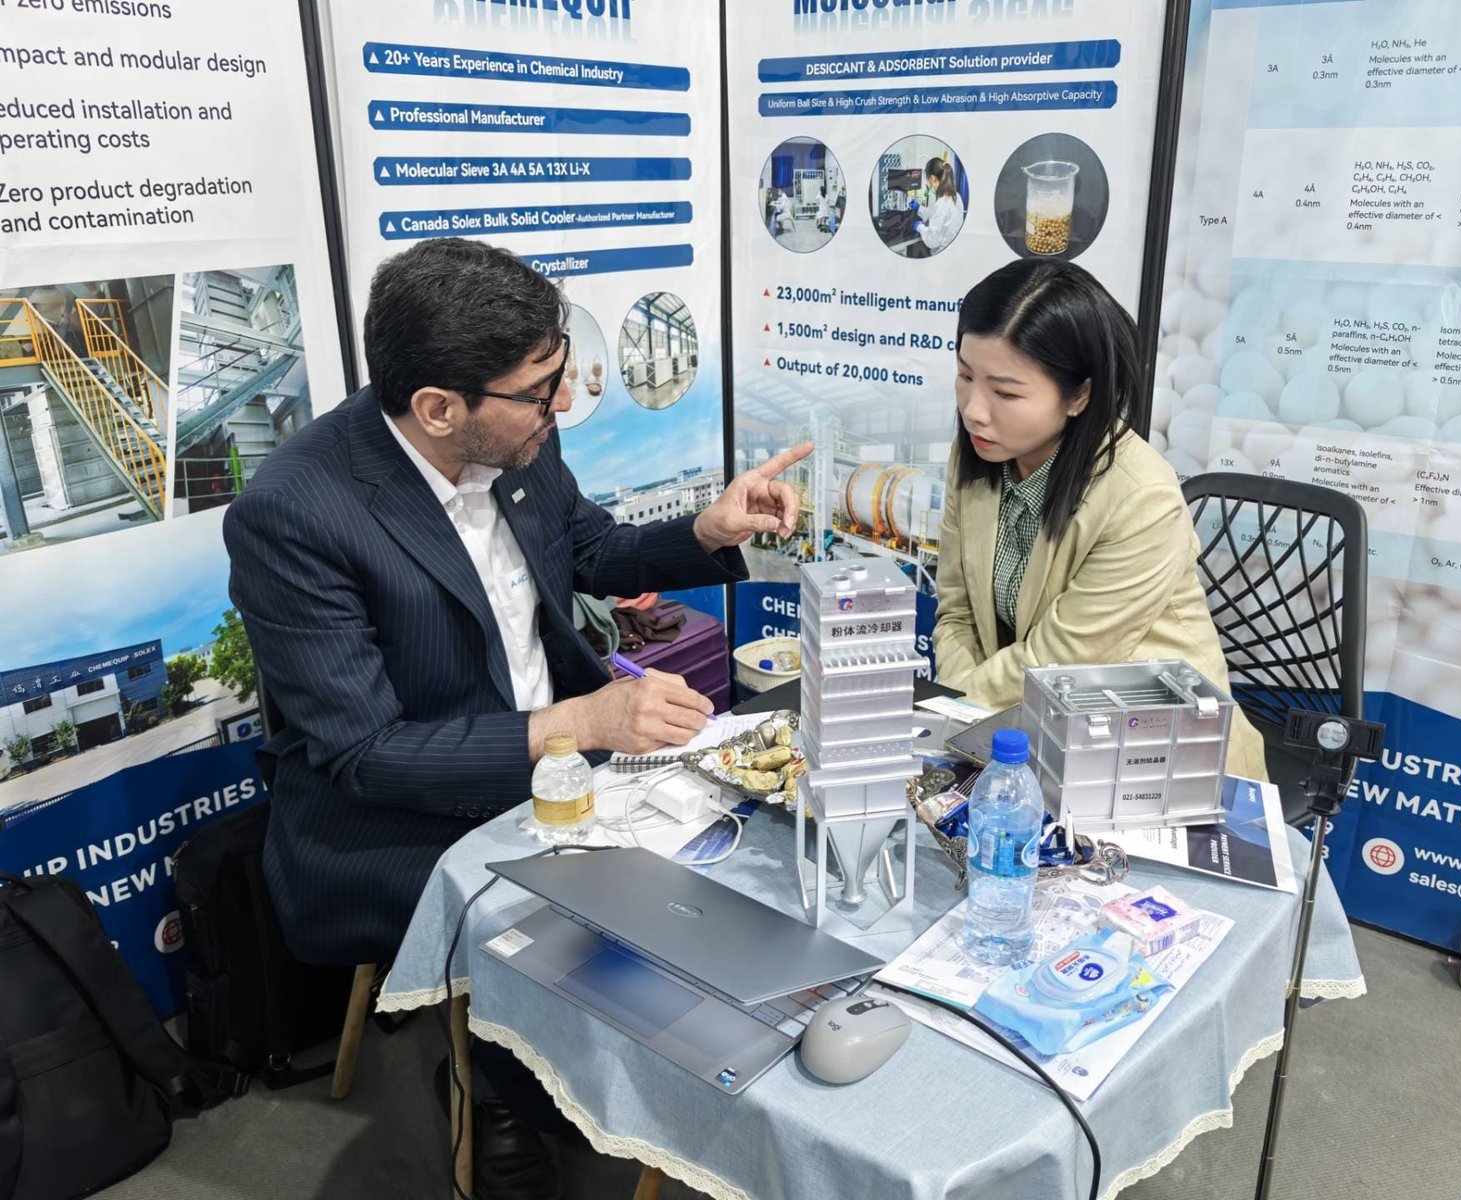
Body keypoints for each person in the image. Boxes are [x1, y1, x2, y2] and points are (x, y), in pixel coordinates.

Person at [224, 238, 809, 1196]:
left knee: (736, 841)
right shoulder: (296, 513)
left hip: (563, 755)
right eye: (542, 391)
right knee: (552, 922)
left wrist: (708, 530)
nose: (564, 404)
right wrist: (583, 722)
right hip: (400, 813)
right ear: (439, 408)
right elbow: (365, 755)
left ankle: (676, 1094)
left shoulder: (518, 434)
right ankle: (502, 1094)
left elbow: (592, 551)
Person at [932, 260, 1266, 779]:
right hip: (1022, 738)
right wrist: (955, 708)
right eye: (964, 376)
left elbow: (1059, 661)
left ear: (1080, 395)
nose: (974, 409)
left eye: (1006, 392)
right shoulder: (978, 454)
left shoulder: (1141, 499)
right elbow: (956, 612)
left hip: (1152, 757)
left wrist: (947, 717)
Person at [910, 158, 965, 255]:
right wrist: (920, 209)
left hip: (942, 254)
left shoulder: (941, 203)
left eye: (927, 180)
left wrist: (919, 227)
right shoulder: (956, 196)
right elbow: (941, 218)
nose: (928, 185)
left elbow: (932, 240)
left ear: (932, 179)